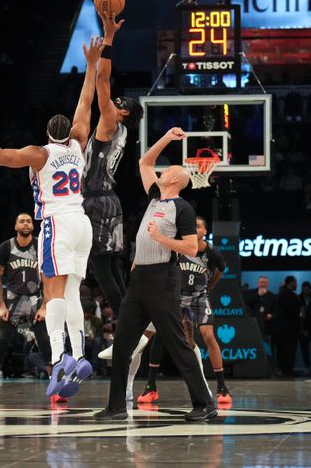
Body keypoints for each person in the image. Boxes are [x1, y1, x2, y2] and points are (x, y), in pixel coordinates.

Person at [0, 40, 96, 399]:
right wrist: (90, 65)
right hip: (82, 222)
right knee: (73, 290)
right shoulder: (79, 143)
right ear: (69, 132)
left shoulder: (38, 155)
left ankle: (59, 358)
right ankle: (78, 353)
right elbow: (84, 103)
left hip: (57, 223)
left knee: (53, 291)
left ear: (47, 134)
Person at [94, 127, 216, 422]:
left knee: (175, 341)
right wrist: (166, 138)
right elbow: (144, 163)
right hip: (139, 281)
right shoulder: (154, 198)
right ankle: (116, 407)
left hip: (163, 279)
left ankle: (205, 403)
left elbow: (190, 246)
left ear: (175, 179)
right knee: (123, 343)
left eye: (167, 171)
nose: (160, 172)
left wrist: (161, 240)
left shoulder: (182, 208)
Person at [83, 10, 143, 316]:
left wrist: (108, 38)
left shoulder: (110, 121)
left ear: (126, 114)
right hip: (110, 201)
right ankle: (129, 320)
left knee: (100, 267)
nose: (115, 102)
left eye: (121, 104)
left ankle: (126, 323)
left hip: (95, 200)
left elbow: (103, 80)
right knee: (111, 266)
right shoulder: (120, 132)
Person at [138, 215, 229, 404]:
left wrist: (210, 285)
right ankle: (151, 386)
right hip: (177, 297)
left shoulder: (212, 252)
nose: (195, 229)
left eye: (198, 226)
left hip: (199, 296)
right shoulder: (180, 247)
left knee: (208, 336)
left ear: (205, 232)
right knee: (160, 334)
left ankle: (222, 387)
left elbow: (221, 268)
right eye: (192, 226)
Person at [0, 212, 54, 404]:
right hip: (12, 300)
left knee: (45, 342)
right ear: (16, 226)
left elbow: (48, 276)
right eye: (22, 221)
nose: (26, 223)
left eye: (29, 221)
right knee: (3, 342)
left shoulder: (39, 245)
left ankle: (55, 387)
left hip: (35, 299)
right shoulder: (6, 247)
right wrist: (1, 305)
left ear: (32, 225)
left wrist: (45, 305)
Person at [273, 276, 301, 377]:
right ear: (291, 283)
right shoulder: (289, 295)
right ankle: (287, 371)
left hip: (282, 329)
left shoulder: (282, 293)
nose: (297, 284)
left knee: (283, 351)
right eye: (295, 282)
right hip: (288, 329)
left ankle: (286, 370)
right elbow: (293, 311)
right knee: (288, 351)